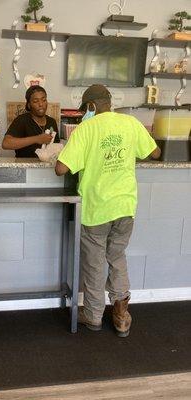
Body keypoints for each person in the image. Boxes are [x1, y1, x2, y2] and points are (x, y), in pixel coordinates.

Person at [55, 84, 161, 338]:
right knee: (117, 258)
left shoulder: (85, 129)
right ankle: (122, 317)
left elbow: (60, 168)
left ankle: (92, 316)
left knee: (94, 263)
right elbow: (155, 153)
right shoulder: (131, 123)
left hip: (97, 208)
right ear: (109, 101)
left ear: (91, 106)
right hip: (125, 206)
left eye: (85, 109)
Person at [2, 85, 59, 158]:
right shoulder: (22, 120)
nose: (41, 104)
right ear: (29, 105)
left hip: (47, 167)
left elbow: (56, 146)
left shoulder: (52, 122)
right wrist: (37, 139)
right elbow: (6, 143)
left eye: (44, 100)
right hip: (25, 167)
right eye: (36, 101)